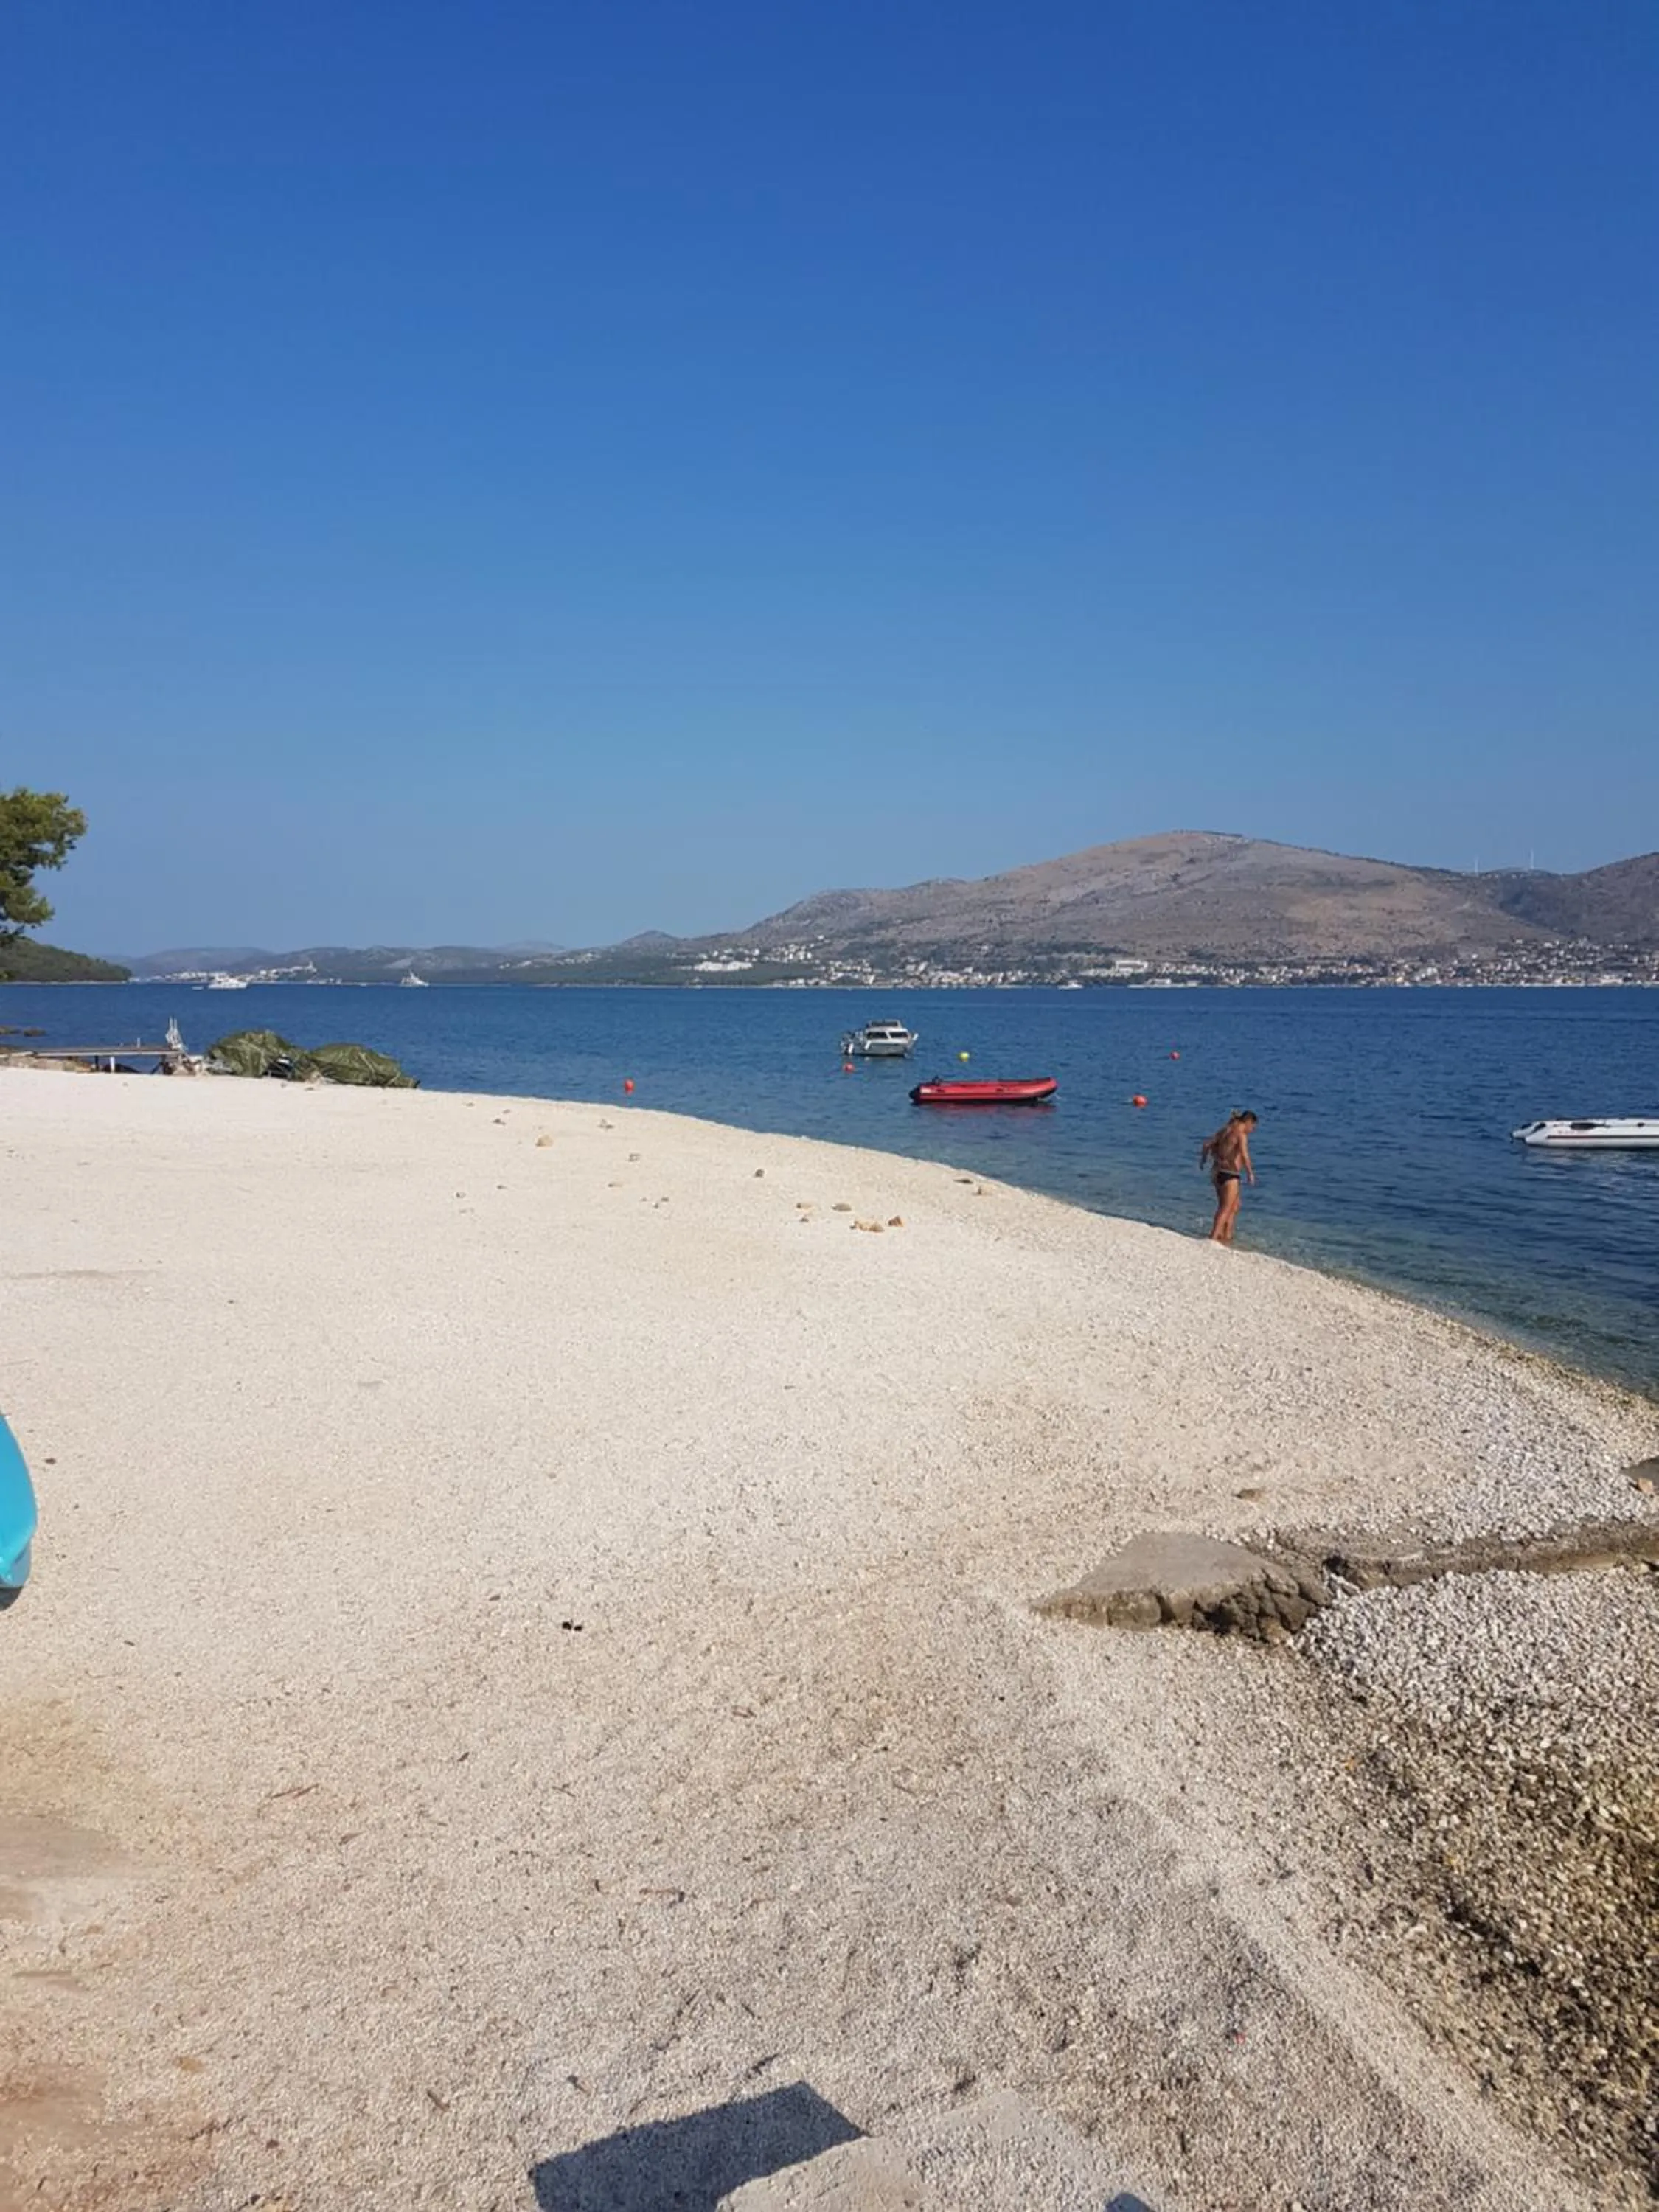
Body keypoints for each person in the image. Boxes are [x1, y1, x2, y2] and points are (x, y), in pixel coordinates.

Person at [1200, 1110, 1257, 1244]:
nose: (1252, 1130)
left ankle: (1226, 1236)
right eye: (1253, 1127)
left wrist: (1203, 1160)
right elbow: (1244, 1155)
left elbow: (1206, 1145)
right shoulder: (1241, 1135)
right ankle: (1213, 1237)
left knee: (1235, 1206)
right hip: (1231, 1174)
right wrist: (1250, 1173)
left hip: (1218, 1172)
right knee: (1225, 1208)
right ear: (1248, 1122)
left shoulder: (1225, 1130)